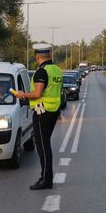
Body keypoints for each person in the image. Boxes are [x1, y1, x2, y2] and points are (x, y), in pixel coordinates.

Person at [15, 43, 62, 190]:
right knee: (45, 145)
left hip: (42, 113)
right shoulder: (56, 70)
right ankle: (45, 177)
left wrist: (22, 95)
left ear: (38, 56)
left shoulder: (42, 72)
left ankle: (46, 180)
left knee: (43, 147)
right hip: (53, 111)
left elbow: (37, 94)